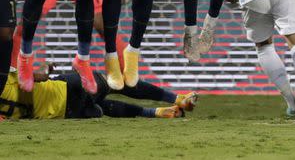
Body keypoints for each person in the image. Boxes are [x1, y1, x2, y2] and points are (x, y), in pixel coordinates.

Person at [0, 63, 197, 120]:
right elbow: (38, 77)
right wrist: (45, 67)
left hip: (66, 114)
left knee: (104, 106)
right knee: (116, 81)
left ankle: (158, 113)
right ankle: (178, 99)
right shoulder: (3, 76)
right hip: (68, 89)